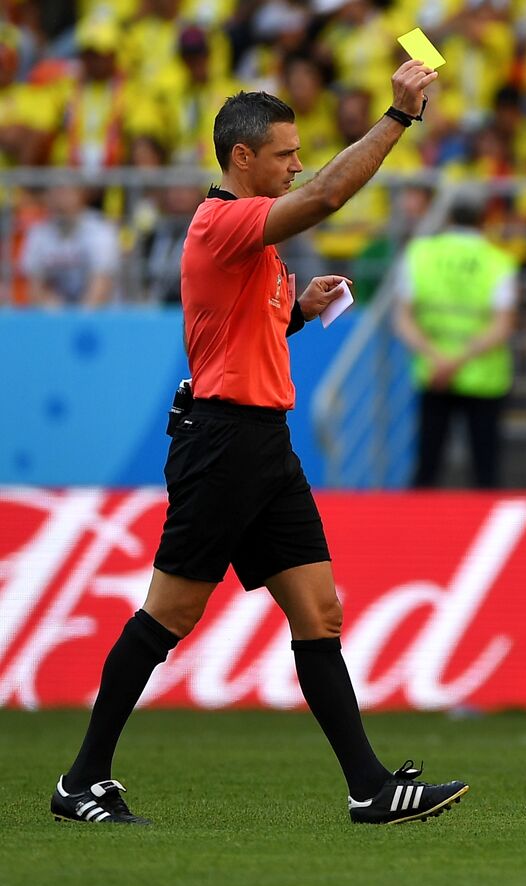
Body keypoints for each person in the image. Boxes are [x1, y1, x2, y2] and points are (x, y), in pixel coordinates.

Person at [50, 61, 470, 827]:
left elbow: (238, 336)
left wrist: (300, 313)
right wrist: (398, 118)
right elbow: (330, 195)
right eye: (285, 153)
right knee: (169, 615)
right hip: (224, 442)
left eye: (299, 151)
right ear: (242, 158)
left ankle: (369, 788)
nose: (297, 164)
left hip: (265, 444)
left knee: (320, 613)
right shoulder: (222, 221)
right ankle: (81, 781)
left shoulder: (253, 245)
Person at [394, 198, 519, 488]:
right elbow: (503, 324)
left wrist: (438, 358)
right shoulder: (498, 261)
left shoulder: (419, 254)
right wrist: (459, 360)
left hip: (433, 372)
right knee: (485, 471)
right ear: (484, 223)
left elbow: (402, 320)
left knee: (428, 468)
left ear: (448, 220)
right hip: (484, 377)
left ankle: (420, 530)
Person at [19, 184, 120, 307]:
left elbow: (101, 283)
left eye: (65, 193)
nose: (60, 200)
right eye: (55, 193)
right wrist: (56, 314)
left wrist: (76, 319)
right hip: (55, 315)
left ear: (81, 196)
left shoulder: (100, 230)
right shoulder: (38, 233)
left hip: (99, 317)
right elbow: (34, 286)